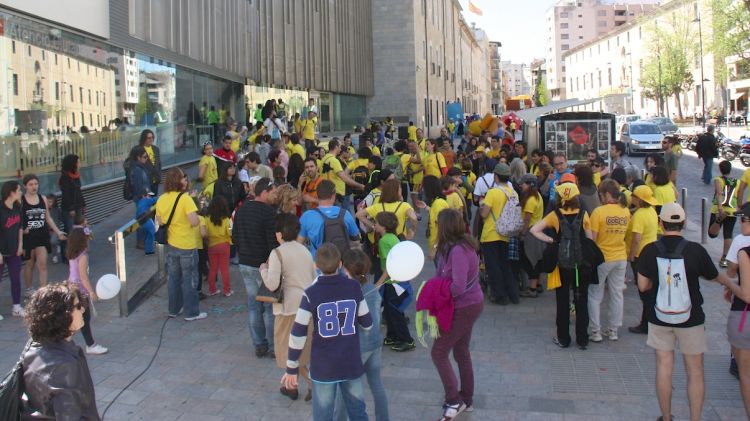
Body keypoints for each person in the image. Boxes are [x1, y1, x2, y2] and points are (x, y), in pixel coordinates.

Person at [637, 202, 731, 421]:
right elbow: (713, 275)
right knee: (695, 370)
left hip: (659, 316)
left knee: (663, 367)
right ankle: (695, 418)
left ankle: (667, 416)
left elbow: (643, 286)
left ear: (661, 223)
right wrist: (733, 286)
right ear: (683, 223)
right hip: (691, 317)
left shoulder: (650, 250)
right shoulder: (695, 250)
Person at [281, 243, 373, 421]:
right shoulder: (354, 287)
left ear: (316, 265)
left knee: (323, 415)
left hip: (323, 366)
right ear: (340, 264)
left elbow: (298, 333)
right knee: (358, 413)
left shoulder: (310, 293)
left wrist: (291, 368)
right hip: (350, 362)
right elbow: (367, 323)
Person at [429, 209, 483, 419]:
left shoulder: (459, 250)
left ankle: (454, 400)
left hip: (464, 306)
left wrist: (438, 295)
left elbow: (458, 286)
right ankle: (466, 399)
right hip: (469, 304)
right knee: (461, 351)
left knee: (439, 352)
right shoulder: (454, 246)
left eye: (437, 224)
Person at [531, 181, 594, 349]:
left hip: (562, 265)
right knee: (581, 301)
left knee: (562, 301)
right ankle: (582, 339)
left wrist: (552, 240)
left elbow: (534, 230)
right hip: (580, 266)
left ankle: (563, 338)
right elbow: (590, 239)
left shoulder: (555, 215)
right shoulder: (583, 214)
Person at [22, 284, 100, 419]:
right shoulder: (64, 366)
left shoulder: (33, 345)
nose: (82, 309)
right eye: (77, 306)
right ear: (61, 315)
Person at [260, 213, 316, 402]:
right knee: (299, 351)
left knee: (290, 352)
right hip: (306, 308)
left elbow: (272, 284)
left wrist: (263, 270)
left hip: (288, 309)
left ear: (279, 234)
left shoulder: (277, 253)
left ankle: (311, 384)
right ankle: (289, 386)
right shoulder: (305, 251)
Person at [334, 249, 389, 421]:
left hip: (359, 346)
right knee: (377, 385)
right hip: (375, 343)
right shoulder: (371, 288)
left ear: (346, 269)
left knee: (345, 388)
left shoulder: (349, 291)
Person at [232, 177, 278, 357]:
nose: (274, 195)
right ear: (265, 192)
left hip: (245, 263)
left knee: (253, 306)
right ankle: (273, 346)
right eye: (273, 192)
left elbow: (234, 236)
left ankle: (259, 344)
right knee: (269, 308)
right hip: (263, 266)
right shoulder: (268, 213)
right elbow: (272, 243)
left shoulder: (242, 210)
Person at [156, 168, 207, 321]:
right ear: (178, 181)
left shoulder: (161, 199)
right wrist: (196, 219)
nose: (185, 180)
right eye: (183, 178)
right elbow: (194, 221)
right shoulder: (185, 199)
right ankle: (192, 312)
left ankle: (174, 309)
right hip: (187, 244)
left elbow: (160, 221)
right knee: (190, 279)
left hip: (171, 243)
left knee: (173, 278)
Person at [588, 179, 630, 343]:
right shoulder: (625, 211)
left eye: (601, 195)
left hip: (602, 258)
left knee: (595, 295)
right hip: (620, 257)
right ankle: (613, 330)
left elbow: (593, 239)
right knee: (617, 294)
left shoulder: (599, 212)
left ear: (606, 194)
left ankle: (595, 331)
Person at [722, 206, 750, 418]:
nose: (741, 223)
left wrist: (728, 284)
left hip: (744, 314)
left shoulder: (743, 249)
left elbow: (746, 294)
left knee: (746, 373)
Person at [479, 163, 520, 305]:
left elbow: (484, 214)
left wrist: (481, 207)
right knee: (505, 265)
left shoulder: (493, 193)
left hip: (491, 233)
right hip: (505, 234)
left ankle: (499, 295)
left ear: (496, 176)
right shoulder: (513, 193)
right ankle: (513, 294)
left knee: (493, 266)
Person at [374, 212, 415, 352]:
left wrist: (378, 283)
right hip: (396, 281)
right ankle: (392, 335)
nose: (374, 224)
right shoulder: (392, 237)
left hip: (393, 282)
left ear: (384, 226)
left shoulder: (384, 241)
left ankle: (406, 340)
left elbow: (388, 266)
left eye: (377, 223)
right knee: (390, 309)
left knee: (395, 311)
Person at [65, 228, 108, 355]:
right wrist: (91, 292)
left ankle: (69, 343)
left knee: (77, 317)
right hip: (80, 290)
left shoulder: (72, 253)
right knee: (83, 317)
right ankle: (90, 345)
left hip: (71, 287)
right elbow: (83, 277)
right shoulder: (83, 256)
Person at [21, 174, 66, 295]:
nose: (34, 187)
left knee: (43, 264)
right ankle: (28, 289)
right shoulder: (21, 200)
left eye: (36, 184)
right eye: (30, 184)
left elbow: (48, 218)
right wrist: (22, 229)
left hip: (42, 235)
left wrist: (58, 232)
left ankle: (42, 291)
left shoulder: (43, 199)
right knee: (29, 264)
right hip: (28, 237)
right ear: (25, 186)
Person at [626, 185, 659, 335]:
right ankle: (650, 320)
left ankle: (646, 323)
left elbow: (637, 238)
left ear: (638, 199)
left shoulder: (640, 215)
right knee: (650, 290)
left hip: (641, 255)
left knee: (644, 291)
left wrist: (631, 255)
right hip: (652, 252)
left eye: (633, 195)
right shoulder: (651, 211)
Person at [298, 180, 360, 258]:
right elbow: (356, 242)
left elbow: (298, 243)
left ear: (317, 195)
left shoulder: (307, 216)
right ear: (334, 195)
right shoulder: (345, 214)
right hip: (342, 264)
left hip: (318, 265)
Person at [1, 180, 25, 317]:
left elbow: (20, 227)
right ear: (11, 192)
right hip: (1, 251)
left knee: (16, 278)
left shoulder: (17, 207)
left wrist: (20, 244)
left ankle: (16, 307)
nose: (21, 192)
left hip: (14, 250)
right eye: (19, 190)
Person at [518, 174, 544, 297]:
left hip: (530, 233)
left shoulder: (530, 200)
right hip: (537, 231)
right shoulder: (538, 196)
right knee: (536, 258)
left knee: (529, 259)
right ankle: (537, 284)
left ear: (529, 184)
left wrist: (522, 233)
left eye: (523, 183)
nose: (521, 186)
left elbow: (527, 219)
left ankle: (532, 289)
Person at [710, 160, 738, 268]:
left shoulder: (718, 179)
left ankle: (718, 220)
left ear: (720, 169)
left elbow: (719, 193)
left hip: (718, 210)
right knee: (728, 234)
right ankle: (725, 258)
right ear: (730, 169)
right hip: (731, 211)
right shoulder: (737, 181)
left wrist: (720, 208)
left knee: (712, 234)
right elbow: (738, 195)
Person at [203, 196, 233, 297]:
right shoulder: (226, 219)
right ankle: (227, 290)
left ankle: (212, 289)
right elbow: (229, 232)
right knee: (224, 269)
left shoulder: (206, 219)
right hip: (224, 244)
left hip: (212, 245)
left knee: (213, 269)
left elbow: (205, 233)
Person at [321, 140, 365, 207]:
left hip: (327, 193)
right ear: (336, 147)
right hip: (335, 195)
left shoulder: (324, 158)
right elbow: (344, 178)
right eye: (340, 147)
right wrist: (360, 185)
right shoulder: (334, 160)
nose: (340, 149)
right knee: (338, 216)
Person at [59, 154, 85, 263]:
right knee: (70, 231)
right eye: (78, 162)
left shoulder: (76, 176)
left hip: (78, 206)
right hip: (69, 208)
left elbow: (79, 192)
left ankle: (77, 251)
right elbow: (66, 194)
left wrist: (83, 205)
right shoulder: (65, 177)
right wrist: (70, 209)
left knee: (79, 230)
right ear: (73, 164)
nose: (79, 164)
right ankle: (67, 255)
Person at [139, 129, 162, 194]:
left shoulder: (156, 149)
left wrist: (159, 175)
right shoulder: (139, 149)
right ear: (144, 138)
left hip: (155, 181)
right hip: (146, 182)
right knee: (148, 201)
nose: (151, 139)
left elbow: (159, 164)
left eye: (152, 137)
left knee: (154, 201)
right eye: (149, 138)